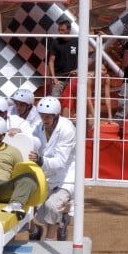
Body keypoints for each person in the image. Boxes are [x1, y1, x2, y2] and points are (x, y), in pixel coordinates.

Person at [28, 97, 76, 241]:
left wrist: (40, 160)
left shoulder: (67, 129)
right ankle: (60, 222)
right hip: (45, 174)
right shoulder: (38, 126)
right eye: (42, 115)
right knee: (31, 205)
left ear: (55, 115)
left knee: (52, 206)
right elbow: (30, 140)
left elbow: (61, 162)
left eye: (48, 116)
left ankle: (49, 240)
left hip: (65, 176)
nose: (44, 119)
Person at [60, 64, 114, 128]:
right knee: (66, 118)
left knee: (88, 118)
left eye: (104, 70)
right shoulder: (90, 78)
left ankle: (84, 132)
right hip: (72, 91)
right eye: (100, 70)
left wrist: (110, 116)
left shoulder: (106, 78)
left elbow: (107, 97)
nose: (102, 72)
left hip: (83, 93)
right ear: (95, 71)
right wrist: (95, 117)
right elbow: (88, 99)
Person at [47, 19, 78, 98]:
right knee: (54, 102)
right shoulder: (55, 42)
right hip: (58, 79)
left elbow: (83, 59)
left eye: (63, 30)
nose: (60, 32)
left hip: (72, 79)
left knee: (69, 104)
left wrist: (78, 70)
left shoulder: (76, 41)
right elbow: (51, 61)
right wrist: (53, 77)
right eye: (59, 30)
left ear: (69, 30)